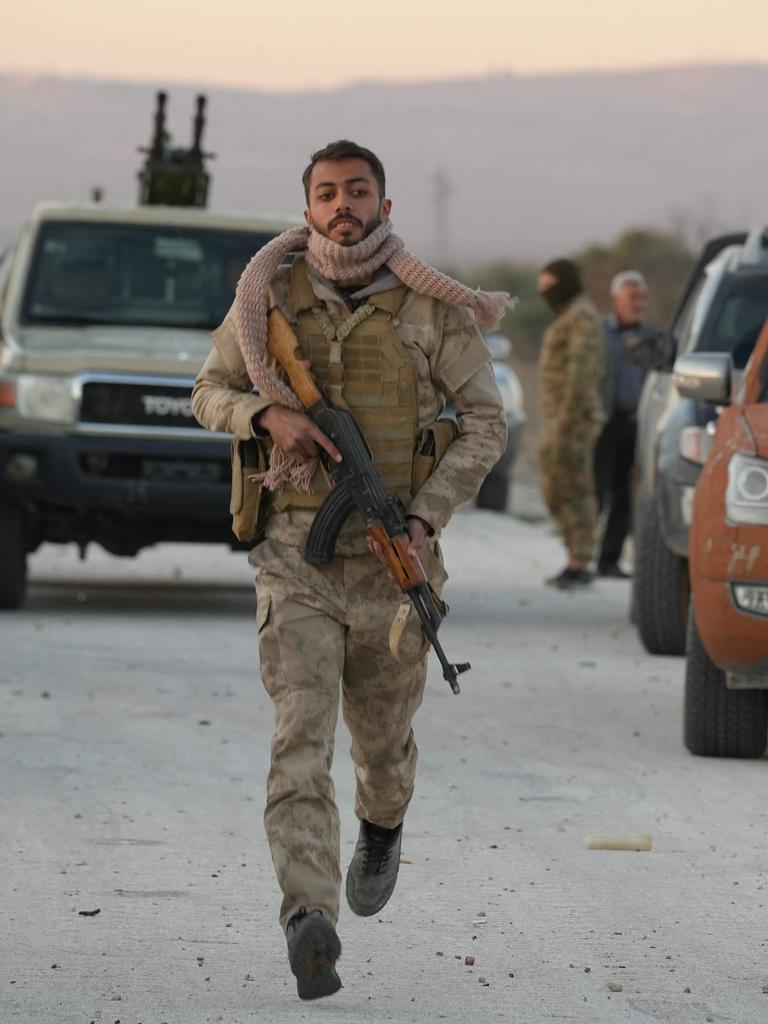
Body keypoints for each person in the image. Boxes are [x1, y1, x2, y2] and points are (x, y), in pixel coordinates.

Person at [191, 140, 508, 1000]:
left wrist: (421, 514)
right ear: (307, 210)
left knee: (381, 746)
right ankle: (308, 919)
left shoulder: (431, 309)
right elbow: (207, 390)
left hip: (394, 568)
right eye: (327, 193)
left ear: (384, 207)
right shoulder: (268, 297)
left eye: (358, 191)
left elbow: (485, 422)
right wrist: (264, 415)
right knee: (299, 740)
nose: (343, 205)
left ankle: (383, 824)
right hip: (295, 559)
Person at [537, 258, 605, 589]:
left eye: (548, 284)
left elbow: (581, 377)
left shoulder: (582, 318)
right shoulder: (567, 315)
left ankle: (581, 560)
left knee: (575, 488)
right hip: (557, 419)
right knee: (555, 487)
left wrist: (565, 423)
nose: (544, 292)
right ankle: (574, 555)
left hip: (573, 420)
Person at [594, 270, 650, 577]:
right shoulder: (598, 334)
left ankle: (609, 560)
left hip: (634, 424)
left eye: (642, 297)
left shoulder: (649, 338)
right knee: (595, 492)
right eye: (633, 297)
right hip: (603, 423)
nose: (639, 304)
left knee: (624, 495)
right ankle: (580, 558)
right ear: (617, 299)